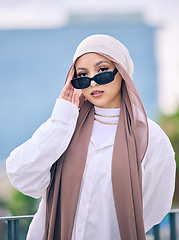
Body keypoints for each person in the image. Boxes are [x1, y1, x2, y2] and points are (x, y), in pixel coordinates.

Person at [6, 34, 176, 240]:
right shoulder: (65, 126)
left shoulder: (151, 137)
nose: (93, 81)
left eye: (102, 70)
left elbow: (154, 207)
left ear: (122, 72)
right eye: (83, 75)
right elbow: (21, 175)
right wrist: (61, 118)